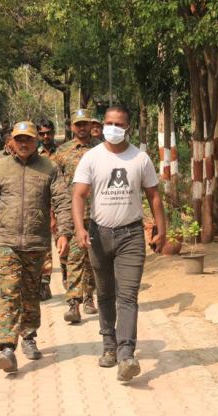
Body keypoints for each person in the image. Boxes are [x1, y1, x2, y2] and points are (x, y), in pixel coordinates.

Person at [72, 105, 166, 382]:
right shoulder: (91, 158)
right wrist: (79, 228)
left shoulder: (140, 159)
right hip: (99, 235)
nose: (113, 128)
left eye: (119, 123)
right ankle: (109, 346)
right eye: (109, 123)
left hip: (131, 236)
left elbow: (154, 196)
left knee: (128, 295)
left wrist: (162, 230)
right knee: (104, 295)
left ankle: (126, 354)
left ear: (128, 128)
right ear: (100, 126)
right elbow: (78, 195)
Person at [0, 121, 72, 373]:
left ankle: (28, 337)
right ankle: (6, 347)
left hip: (36, 243)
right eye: (19, 139)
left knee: (30, 293)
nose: (24, 143)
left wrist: (64, 233)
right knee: (8, 292)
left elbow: (62, 201)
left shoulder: (50, 168)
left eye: (29, 139)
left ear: (37, 140)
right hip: (6, 242)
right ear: (11, 142)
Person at [53, 108, 101, 323]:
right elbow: (54, 184)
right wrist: (53, 214)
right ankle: (73, 302)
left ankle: (89, 297)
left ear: (91, 126)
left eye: (85, 124)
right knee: (74, 258)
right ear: (72, 127)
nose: (82, 128)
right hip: (74, 213)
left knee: (93, 258)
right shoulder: (62, 152)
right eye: (78, 124)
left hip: (100, 213)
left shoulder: (102, 150)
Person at [37, 119, 59, 301]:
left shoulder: (63, 152)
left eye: (48, 133)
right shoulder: (34, 154)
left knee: (62, 246)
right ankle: (43, 283)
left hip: (60, 205)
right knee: (43, 247)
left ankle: (66, 282)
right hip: (41, 206)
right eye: (42, 133)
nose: (46, 136)